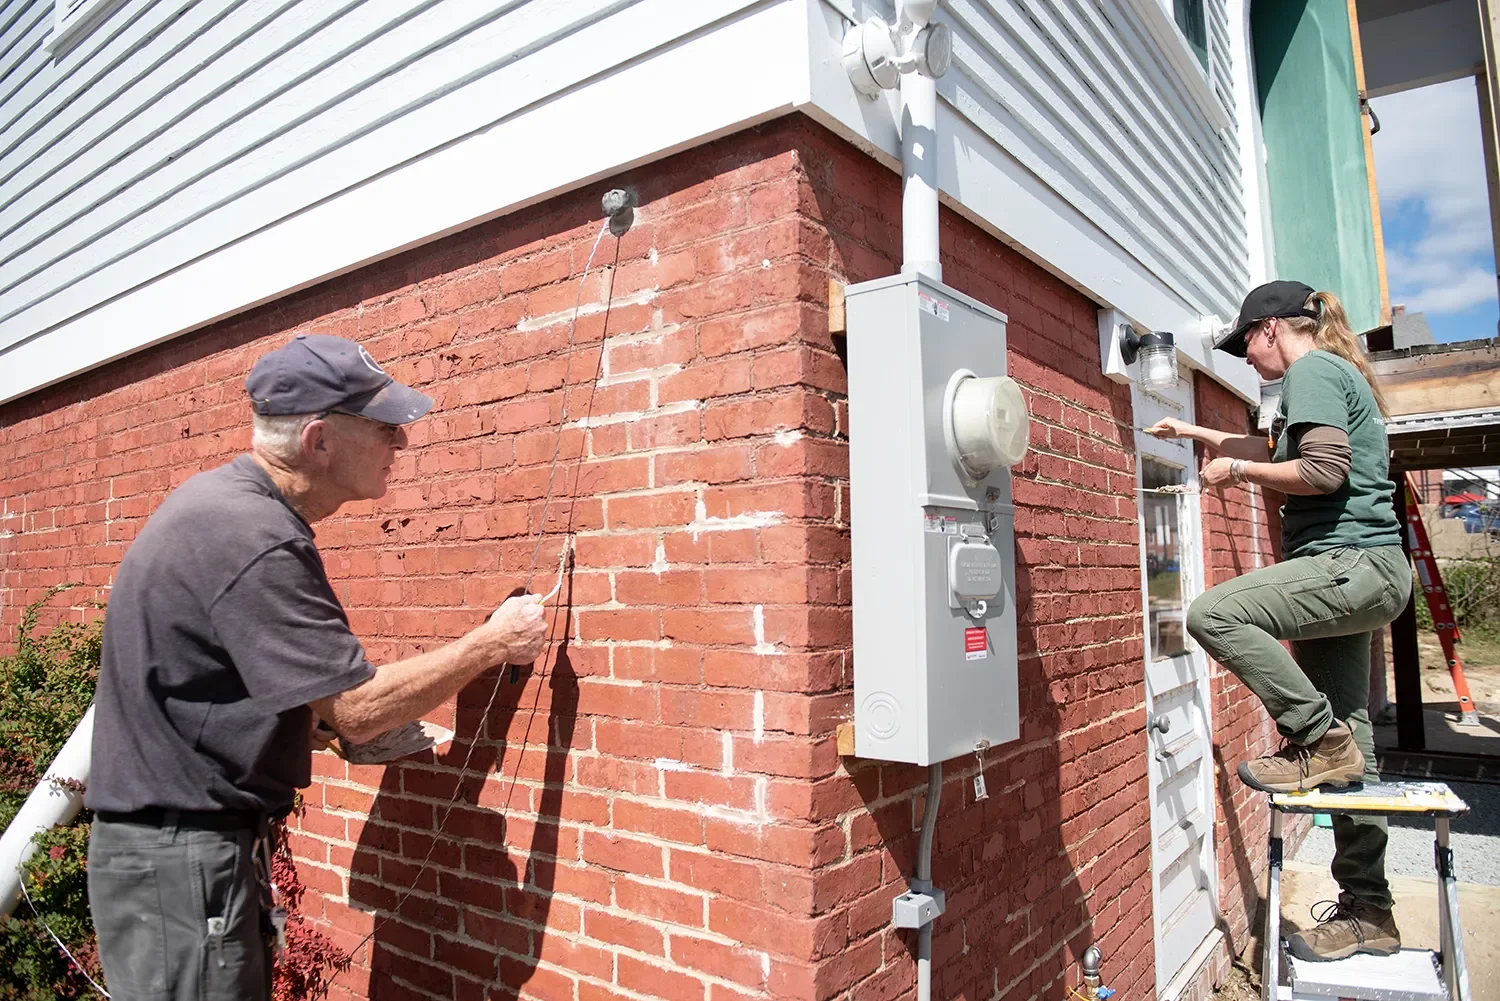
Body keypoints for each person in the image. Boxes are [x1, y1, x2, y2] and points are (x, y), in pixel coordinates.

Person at [84, 335, 550, 1001]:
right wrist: (492, 643)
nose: (402, 444)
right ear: (319, 440)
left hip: (174, 859)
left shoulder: (223, 507)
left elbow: (211, 687)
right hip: (181, 862)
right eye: (386, 427)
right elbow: (356, 706)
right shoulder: (255, 537)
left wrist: (305, 724)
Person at [1150, 280, 1411, 963]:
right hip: (1367, 572)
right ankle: (1371, 909)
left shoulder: (1314, 371)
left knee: (1214, 613)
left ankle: (1311, 735)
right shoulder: (1329, 375)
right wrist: (1195, 432)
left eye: (1246, 344)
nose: (1246, 358)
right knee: (1353, 741)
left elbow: (1321, 471)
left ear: (1271, 328)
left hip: (1350, 563)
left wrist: (1233, 471)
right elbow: (1274, 446)